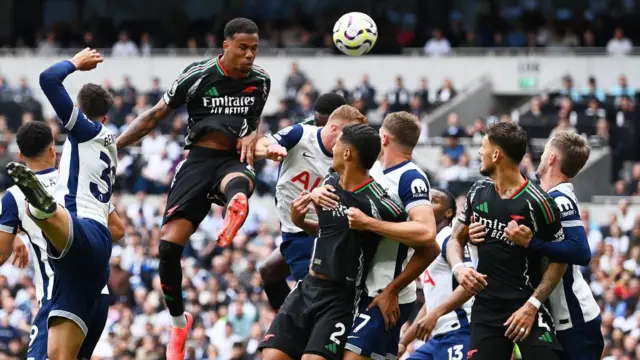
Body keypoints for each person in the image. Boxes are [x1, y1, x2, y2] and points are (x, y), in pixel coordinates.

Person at [115, 18, 271, 358]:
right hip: (198, 161)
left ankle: (237, 206)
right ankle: (177, 322)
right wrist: (115, 147)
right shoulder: (198, 76)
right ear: (226, 45)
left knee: (239, 187)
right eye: (243, 48)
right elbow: (155, 115)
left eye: (254, 49)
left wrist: (252, 134)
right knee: (168, 248)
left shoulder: (260, 81)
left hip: (233, 159)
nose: (249, 55)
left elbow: (253, 123)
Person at [5, 48, 119, 360]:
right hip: (96, 266)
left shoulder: (83, 132)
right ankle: (43, 212)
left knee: (54, 221)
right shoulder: (106, 148)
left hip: (77, 236)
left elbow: (48, 79)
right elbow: (119, 229)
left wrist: (75, 63)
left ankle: (41, 207)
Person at [258, 124, 406, 360]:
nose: (333, 148)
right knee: (270, 356)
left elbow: (424, 242)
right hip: (307, 286)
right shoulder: (330, 182)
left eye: (338, 144)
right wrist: (300, 219)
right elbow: (328, 231)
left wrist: (393, 289)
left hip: (341, 298)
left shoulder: (378, 202)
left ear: (347, 153)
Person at [468, 131, 603, 360]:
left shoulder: (560, 199)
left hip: (573, 315)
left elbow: (581, 251)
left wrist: (532, 242)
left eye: (545, 151)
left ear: (551, 158)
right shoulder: (537, 196)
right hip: (549, 311)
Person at [445, 122, 566, 360]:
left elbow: (559, 260)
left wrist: (532, 306)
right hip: (486, 309)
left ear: (496, 154)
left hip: (525, 303)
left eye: (483, 147)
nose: (479, 153)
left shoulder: (538, 203)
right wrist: (459, 268)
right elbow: (454, 240)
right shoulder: (477, 191)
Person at [335, 112, 440, 360]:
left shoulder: (411, 177)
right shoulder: (374, 174)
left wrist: (392, 290)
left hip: (386, 293)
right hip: (363, 290)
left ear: (383, 138)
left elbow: (427, 237)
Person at [255, 102, 360, 311]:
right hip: (294, 225)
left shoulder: (348, 157)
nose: (350, 143)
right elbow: (258, 145)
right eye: (348, 136)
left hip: (313, 230)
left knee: (312, 294)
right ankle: (287, 320)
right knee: (268, 271)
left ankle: (296, 328)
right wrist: (270, 150)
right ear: (333, 129)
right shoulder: (301, 135)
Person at [397, 188, 473, 360]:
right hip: (437, 337)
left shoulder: (449, 239)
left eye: (434, 200)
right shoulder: (430, 246)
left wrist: (435, 313)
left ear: (448, 212)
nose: (426, 204)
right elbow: (430, 305)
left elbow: (471, 284)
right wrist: (404, 342)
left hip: (460, 331)